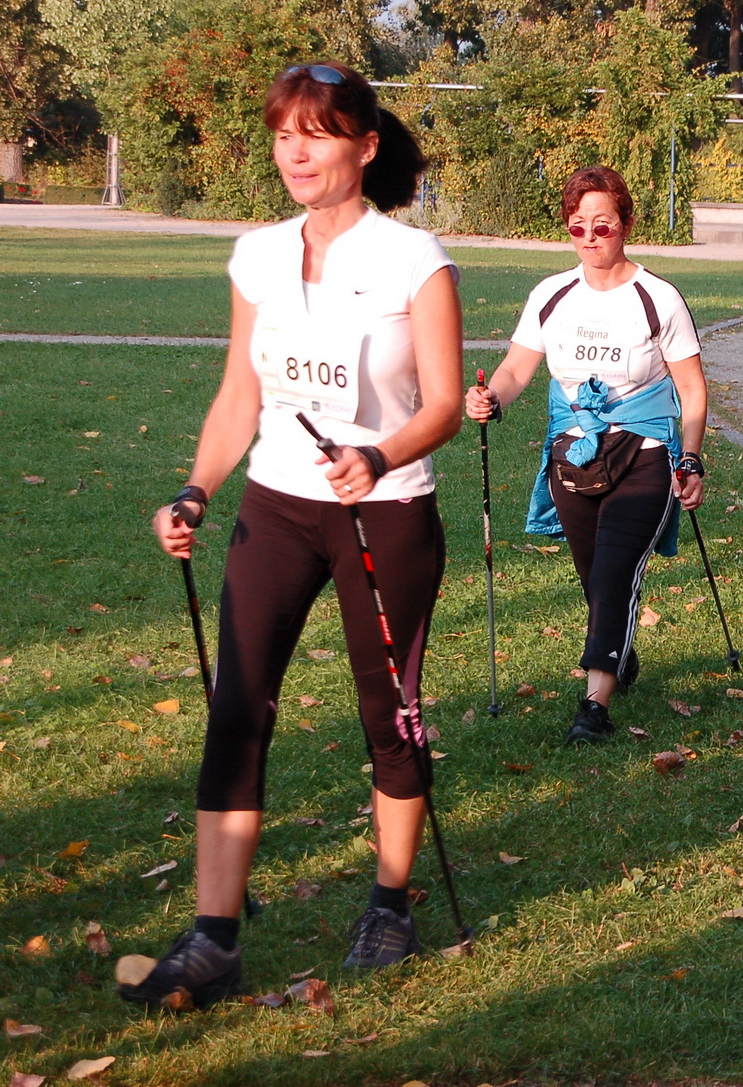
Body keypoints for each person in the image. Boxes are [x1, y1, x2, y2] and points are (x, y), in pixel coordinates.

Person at [134, 62, 464, 1005]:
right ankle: (214, 938)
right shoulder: (258, 255)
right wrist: (195, 492)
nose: (296, 153)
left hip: (385, 509)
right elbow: (240, 394)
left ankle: (390, 905)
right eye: (285, 135)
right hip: (276, 504)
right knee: (237, 708)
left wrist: (379, 453)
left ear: (365, 146)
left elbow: (445, 402)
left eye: (317, 135)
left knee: (388, 716)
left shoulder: (414, 259)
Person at [467, 165, 708, 745]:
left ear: (626, 223)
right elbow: (516, 369)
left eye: (603, 224)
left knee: (613, 568)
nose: (591, 236)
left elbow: (692, 389)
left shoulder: (658, 298)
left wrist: (692, 458)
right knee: (594, 575)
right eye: (578, 226)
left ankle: (594, 706)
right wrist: (490, 399)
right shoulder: (551, 296)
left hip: (645, 451)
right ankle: (619, 649)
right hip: (574, 454)